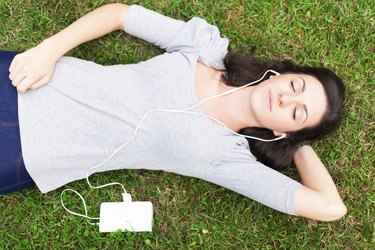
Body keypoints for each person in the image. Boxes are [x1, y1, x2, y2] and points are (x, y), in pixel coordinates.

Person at [1, 3, 347, 221]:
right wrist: (50, 49)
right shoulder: (207, 48)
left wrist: (297, 143)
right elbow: (121, 14)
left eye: (297, 113)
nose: (286, 99)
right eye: (295, 87)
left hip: (27, 154)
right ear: (283, 73)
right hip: (31, 80)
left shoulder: (229, 159)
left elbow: (331, 207)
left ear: (283, 133)